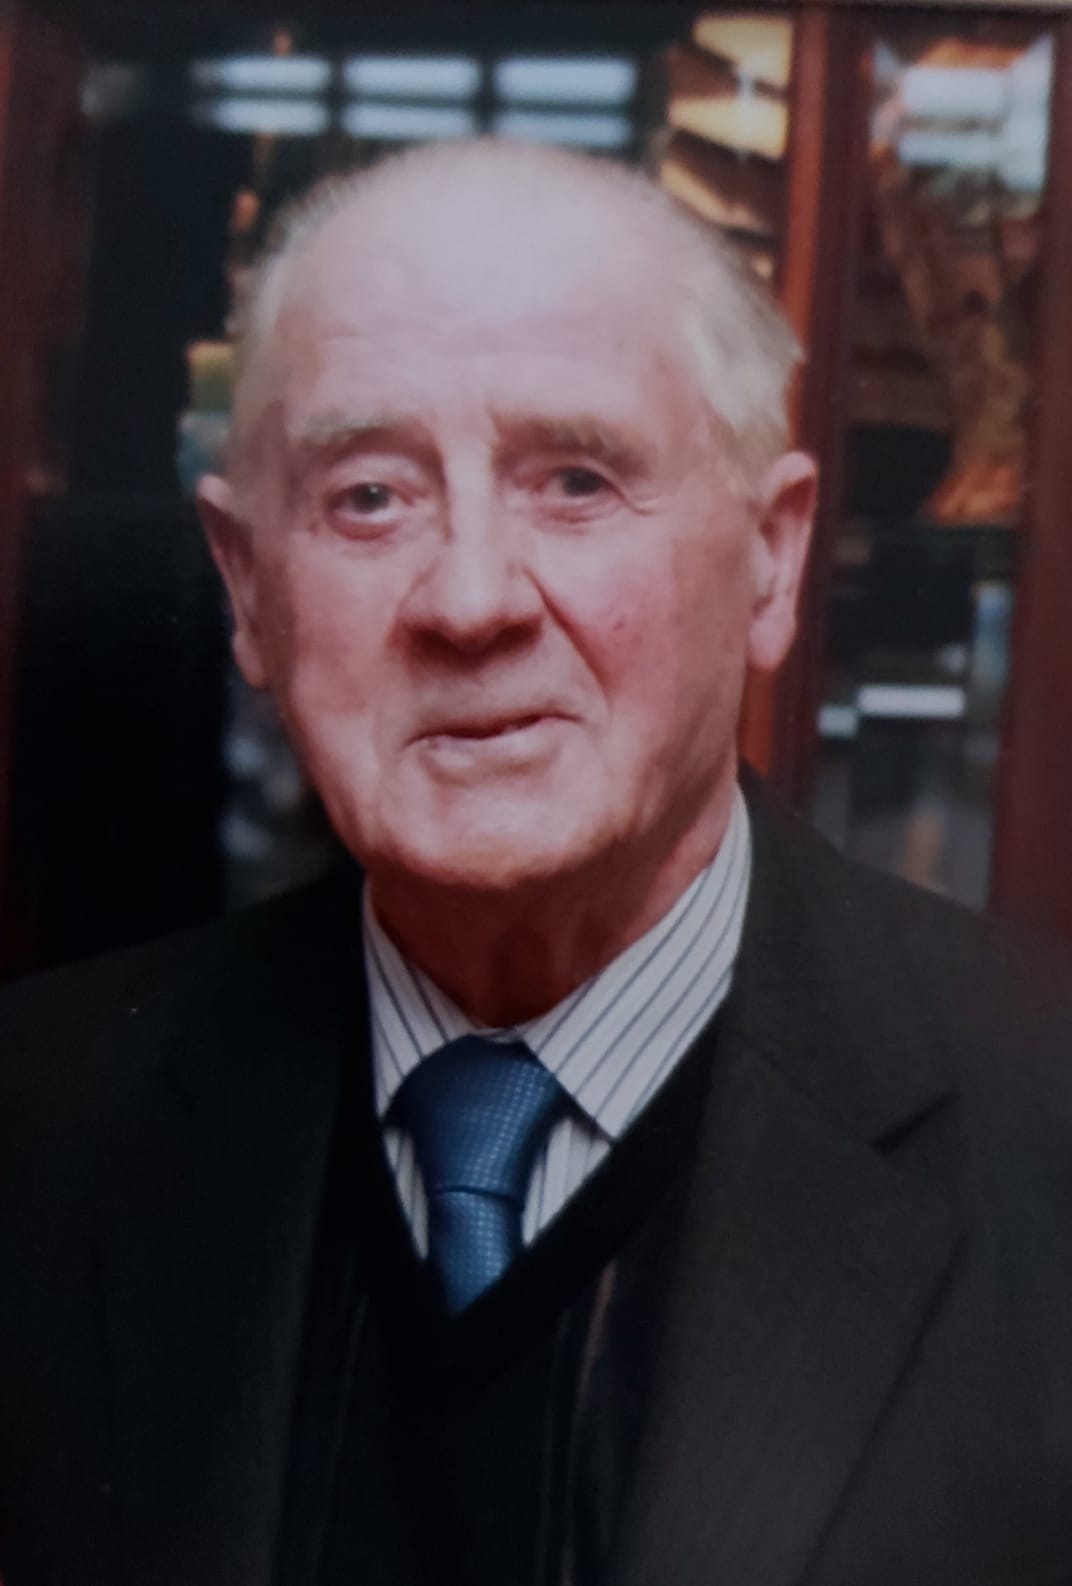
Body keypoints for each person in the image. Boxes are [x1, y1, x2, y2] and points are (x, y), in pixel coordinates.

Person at [2, 138, 1072, 1586]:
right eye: (369, 497)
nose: (469, 600)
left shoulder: (1044, 1133)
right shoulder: (40, 1124)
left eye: (575, 480)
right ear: (246, 585)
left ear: (771, 557)